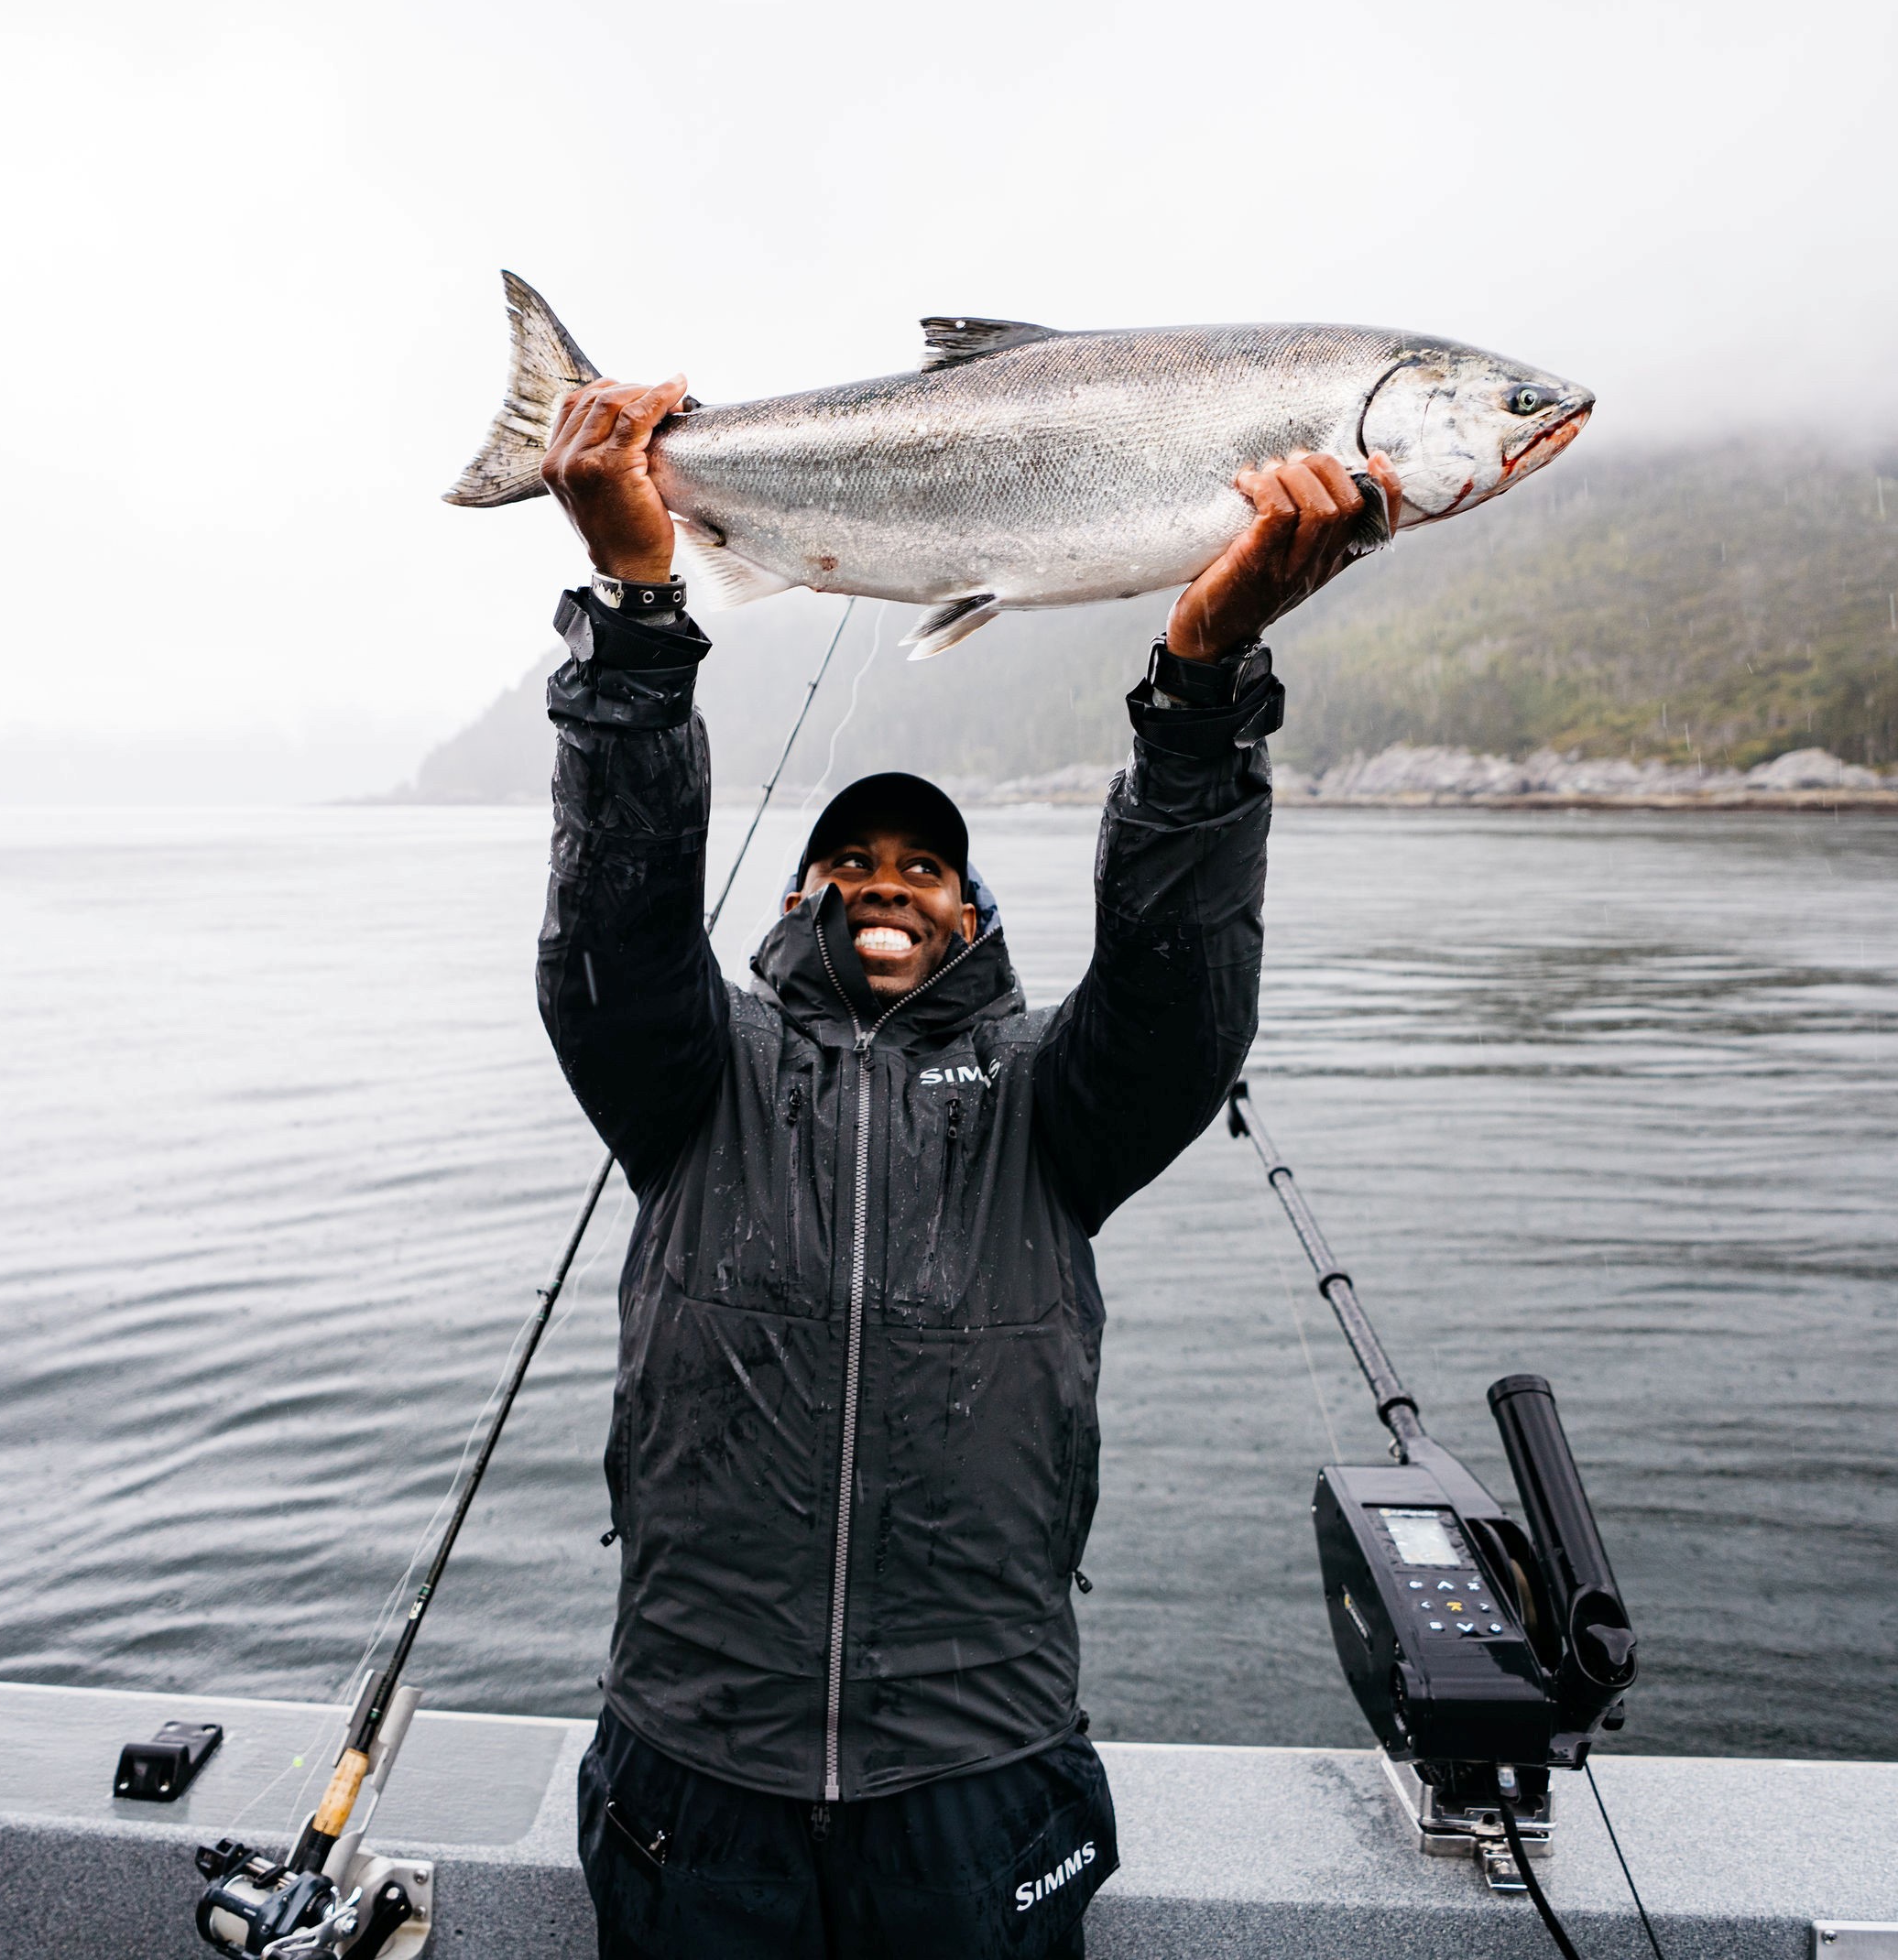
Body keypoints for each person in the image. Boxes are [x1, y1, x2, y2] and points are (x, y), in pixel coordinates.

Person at [534, 373, 1376, 1959]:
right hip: (694, 1771)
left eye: (926, 865)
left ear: (973, 918)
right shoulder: (689, 1079)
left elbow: (1180, 987)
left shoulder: (1055, 1110)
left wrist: (1201, 685)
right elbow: (614, 921)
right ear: (796, 900)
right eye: (849, 859)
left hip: (981, 1778)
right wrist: (641, 612)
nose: (886, 883)